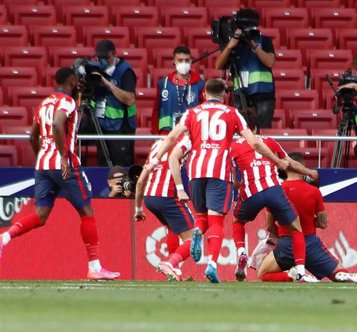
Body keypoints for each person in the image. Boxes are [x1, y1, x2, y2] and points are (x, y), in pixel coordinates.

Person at [157, 78, 288, 283]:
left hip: (196, 171)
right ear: (225, 95)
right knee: (216, 220)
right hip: (219, 171)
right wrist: (275, 160)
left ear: (204, 94)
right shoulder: (232, 113)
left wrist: (156, 159)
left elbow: (172, 138)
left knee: (201, 217)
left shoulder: (192, 113)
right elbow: (253, 141)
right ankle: (212, 264)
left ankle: (198, 232)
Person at [0, 68, 119, 280]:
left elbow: (32, 137)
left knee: (40, 215)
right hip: (65, 165)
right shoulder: (67, 101)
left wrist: (42, 158)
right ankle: (94, 266)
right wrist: (63, 157)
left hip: (43, 166)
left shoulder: (44, 103)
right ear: (72, 80)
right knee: (87, 212)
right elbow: (57, 123)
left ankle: (5, 237)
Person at [230, 113, 320, 283]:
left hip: (251, 192)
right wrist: (309, 172)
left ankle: (241, 251)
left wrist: (238, 185)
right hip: (273, 190)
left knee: (237, 220)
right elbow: (290, 163)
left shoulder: (234, 147)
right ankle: (300, 270)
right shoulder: (270, 141)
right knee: (296, 229)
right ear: (256, 128)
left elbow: (235, 181)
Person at [256, 153, 357, 283]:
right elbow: (323, 223)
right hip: (310, 244)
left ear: (285, 167)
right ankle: (340, 275)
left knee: (263, 275)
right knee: (339, 272)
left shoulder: (276, 192)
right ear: (302, 168)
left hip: (286, 244)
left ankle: (291, 277)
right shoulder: (314, 191)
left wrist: (281, 235)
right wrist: (308, 221)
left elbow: (269, 225)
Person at [134, 138, 195, 281]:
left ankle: (176, 271)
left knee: (172, 229)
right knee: (193, 240)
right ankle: (170, 263)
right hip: (167, 196)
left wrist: (138, 207)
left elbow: (142, 177)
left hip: (150, 197)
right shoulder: (187, 141)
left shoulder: (158, 143)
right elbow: (173, 160)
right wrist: (180, 189)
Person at [214, 8, 276, 129]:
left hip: (263, 94)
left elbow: (270, 62)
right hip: (240, 94)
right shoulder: (232, 43)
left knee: (263, 132)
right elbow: (218, 65)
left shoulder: (264, 40)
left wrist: (254, 45)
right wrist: (229, 47)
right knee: (241, 131)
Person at [88, 39, 137, 167]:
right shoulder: (96, 70)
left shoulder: (125, 71)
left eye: (106, 57)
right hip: (102, 126)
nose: (103, 61)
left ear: (114, 54)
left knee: (121, 168)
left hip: (121, 129)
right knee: (104, 167)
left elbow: (130, 99)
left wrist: (108, 84)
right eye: (100, 57)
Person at [151, 46, 205, 135]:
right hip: (167, 134)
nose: (184, 63)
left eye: (187, 60)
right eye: (180, 60)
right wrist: (155, 134)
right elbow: (156, 110)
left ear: (191, 61)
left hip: (191, 134)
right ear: (174, 62)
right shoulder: (163, 83)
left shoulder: (200, 84)